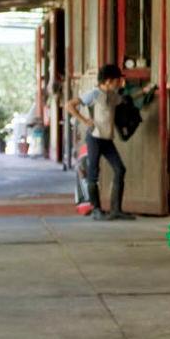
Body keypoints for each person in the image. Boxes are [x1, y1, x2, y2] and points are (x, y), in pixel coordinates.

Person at [67, 63, 137, 221]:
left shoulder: (113, 95)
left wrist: (144, 92)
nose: (119, 83)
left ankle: (116, 209)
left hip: (107, 138)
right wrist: (84, 120)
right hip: (94, 138)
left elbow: (125, 101)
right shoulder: (94, 94)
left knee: (120, 169)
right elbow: (69, 105)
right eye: (117, 81)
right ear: (107, 81)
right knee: (93, 174)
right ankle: (96, 209)